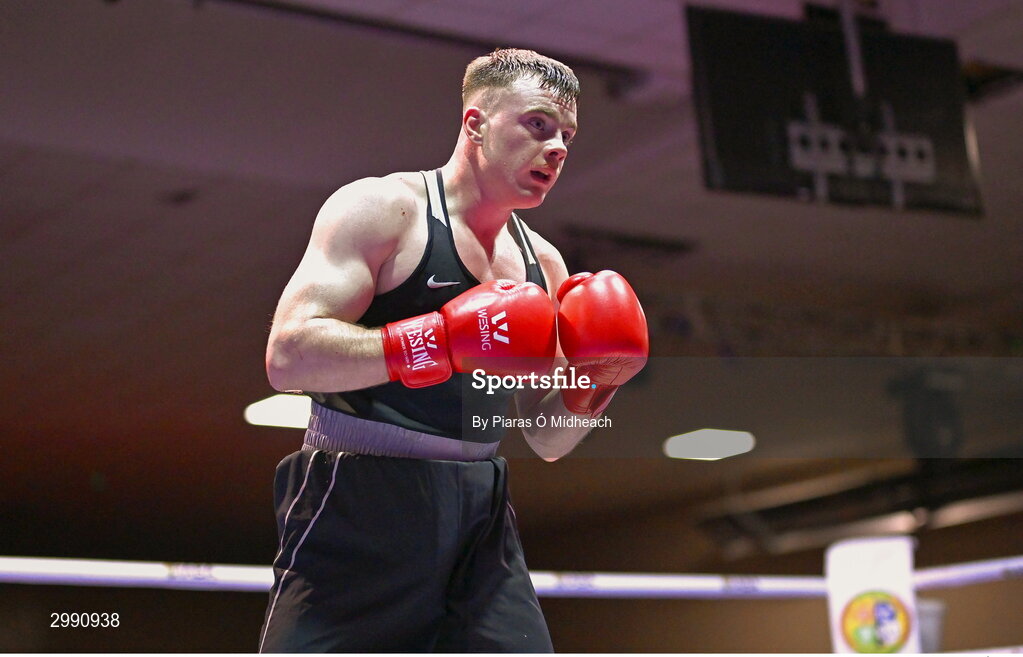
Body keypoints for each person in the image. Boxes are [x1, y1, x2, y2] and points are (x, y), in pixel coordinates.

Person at [257, 48, 648, 653]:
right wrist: (437, 341)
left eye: (567, 135)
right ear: (476, 124)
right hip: (360, 488)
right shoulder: (386, 209)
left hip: (479, 502)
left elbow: (545, 441)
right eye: (538, 124)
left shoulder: (544, 264)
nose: (558, 148)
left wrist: (594, 385)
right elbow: (287, 357)